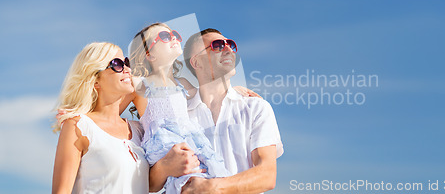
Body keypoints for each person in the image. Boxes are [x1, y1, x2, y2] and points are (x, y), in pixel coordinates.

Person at [150, 28, 284, 193]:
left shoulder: (256, 108)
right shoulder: (179, 115)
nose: (228, 49)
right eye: (218, 45)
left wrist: (212, 187)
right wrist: (163, 167)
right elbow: (151, 183)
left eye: (231, 44)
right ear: (196, 62)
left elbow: (267, 175)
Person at [125, 23, 233, 194]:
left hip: (192, 143)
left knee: (209, 178)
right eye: (165, 37)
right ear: (149, 54)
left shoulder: (182, 83)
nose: (174, 37)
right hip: (165, 147)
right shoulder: (139, 83)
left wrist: (237, 91)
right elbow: (109, 107)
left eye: (174, 34)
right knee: (189, 184)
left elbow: (211, 91)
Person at [52, 42, 149, 194]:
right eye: (117, 64)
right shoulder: (78, 126)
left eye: (127, 62)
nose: (128, 70)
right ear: (95, 80)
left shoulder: (139, 130)